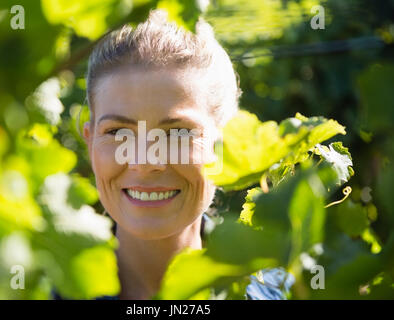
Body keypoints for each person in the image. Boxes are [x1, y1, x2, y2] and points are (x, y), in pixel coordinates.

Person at [53, 9, 294, 300]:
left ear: (226, 144)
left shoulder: (285, 293)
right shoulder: (37, 290)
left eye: (177, 133)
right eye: (118, 132)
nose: (145, 162)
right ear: (90, 143)